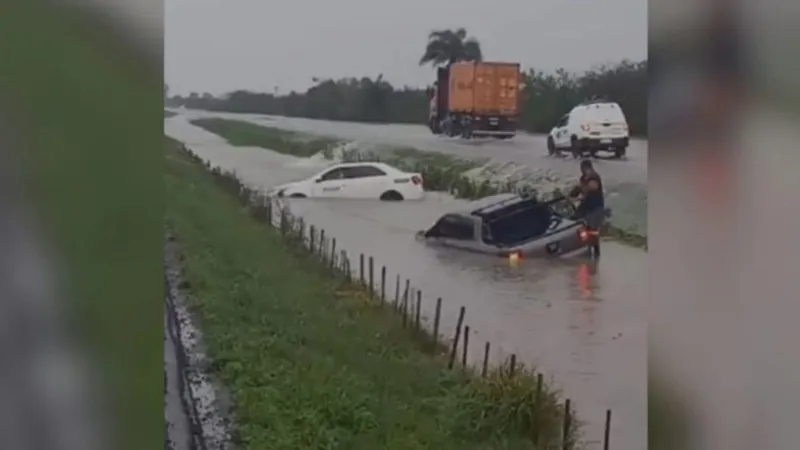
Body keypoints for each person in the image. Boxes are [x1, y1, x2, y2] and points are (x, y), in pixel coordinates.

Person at [569, 159, 605, 256]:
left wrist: (584, 188)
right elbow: (579, 190)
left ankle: (596, 252)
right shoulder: (584, 178)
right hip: (587, 208)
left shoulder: (593, 177)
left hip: (596, 208)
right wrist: (574, 193)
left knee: (593, 231)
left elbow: (592, 187)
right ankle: (587, 251)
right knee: (585, 228)